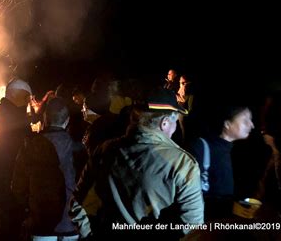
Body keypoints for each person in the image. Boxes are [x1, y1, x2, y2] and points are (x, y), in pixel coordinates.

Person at [71, 88, 203, 240]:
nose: (175, 128)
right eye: (175, 121)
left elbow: (78, 203)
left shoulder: (105, 150)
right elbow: (193, 228)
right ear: (164, 123)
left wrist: (90, 235)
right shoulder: (182, 164)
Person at [12, 98, 78, 240]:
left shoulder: (29, 147)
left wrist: (28, 211)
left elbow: (18, 187)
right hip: (70, 224)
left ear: (45, 119)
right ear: (67, 121)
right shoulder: (78, 148)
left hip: (40, 225)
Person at [190, 105, 254, 220]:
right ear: (227, 124)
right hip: (205, 226)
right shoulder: (201, 147)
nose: (252, 125)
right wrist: (230, 206)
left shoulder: (237, 152)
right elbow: (191, 194)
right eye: (245, 121)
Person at [0, 78, 33, 240]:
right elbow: (24, 141)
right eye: (26, 97)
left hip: (10, 180)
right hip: (9, 181)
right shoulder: (7, 113)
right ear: (15, 95)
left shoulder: (6, 111)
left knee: (11, 222)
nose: (29, 101)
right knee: (10, 224)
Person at [260, 73, 281, 236]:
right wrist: (265, 130)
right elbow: (267, 111)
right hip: (276, 135)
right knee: (277, 160)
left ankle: (264, 189)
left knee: (275, 161)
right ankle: (276, 190)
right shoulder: (277, 95)